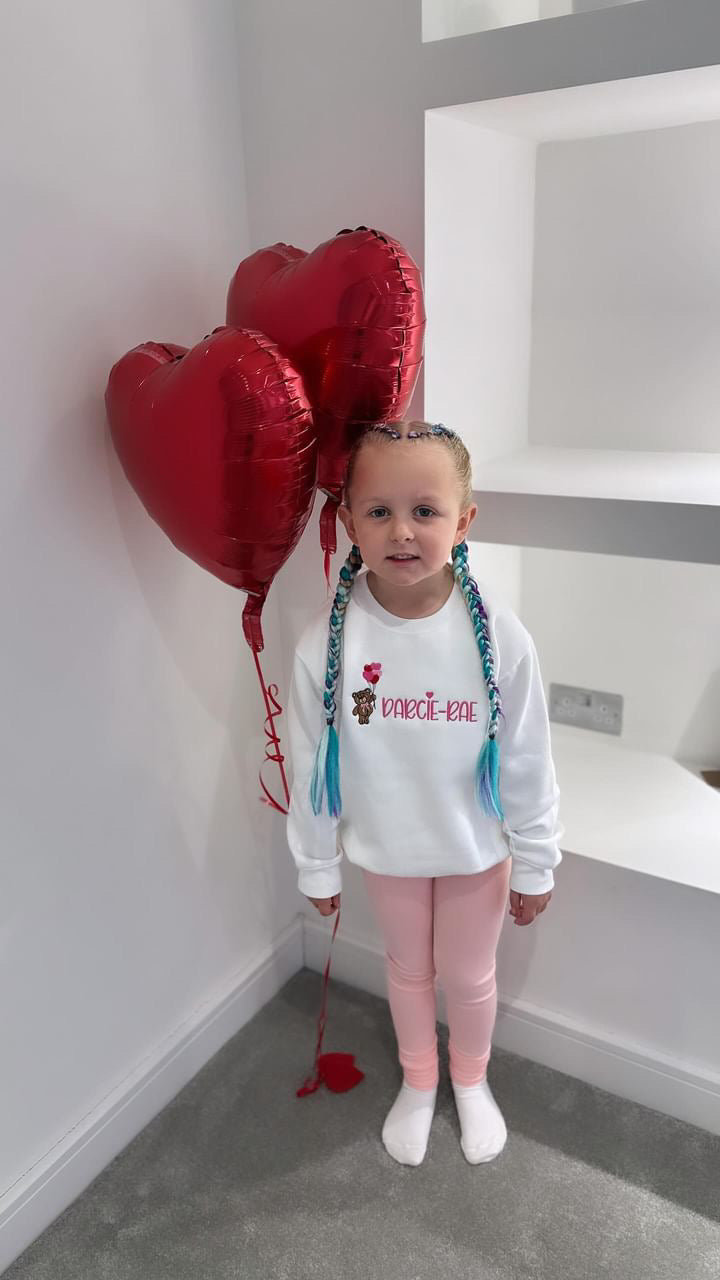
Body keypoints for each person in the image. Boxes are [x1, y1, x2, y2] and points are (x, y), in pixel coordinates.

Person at [285, 419, 564, 1167]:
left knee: (470, 975)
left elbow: (529, 755)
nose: (401, 531)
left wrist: (537, 860)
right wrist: (316, 863)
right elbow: (313, 764)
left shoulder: (503, 638)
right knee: (408, 971)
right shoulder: (327, 644)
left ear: (463, 521)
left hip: (478, 849)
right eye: (378, 511)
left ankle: (470, 1082)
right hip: (389, 852)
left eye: (425, 511)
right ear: (348, 522)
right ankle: (419, 1079)